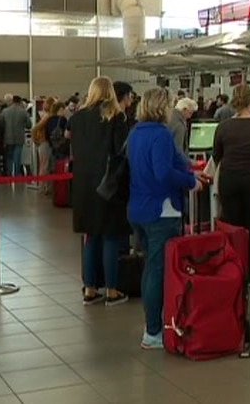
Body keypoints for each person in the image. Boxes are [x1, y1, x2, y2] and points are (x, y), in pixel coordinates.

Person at [127, 88, 202, 350]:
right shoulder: (160, 134)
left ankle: (154, 324)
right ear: (163, 107)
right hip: (162, 210)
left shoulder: (136, 132)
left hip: (138, 208)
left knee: (151, 267)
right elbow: (162, 173)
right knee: (157, 271)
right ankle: (153, 331)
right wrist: (190, 181)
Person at [67, 77, 130, 306]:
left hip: (83, 185)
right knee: (111, 237)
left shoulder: (76, 118)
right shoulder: (116, 117)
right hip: (108, 185)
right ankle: (112, 290)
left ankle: (90, 288)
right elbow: (120, 153)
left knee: (91, 237)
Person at [213, 84, 250, 285]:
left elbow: (217, 155)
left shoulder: (223, 127)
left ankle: (232, 269)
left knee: (232, 225)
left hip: (229, 179)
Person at [0, 95, 31, 176]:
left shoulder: (5, 111)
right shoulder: (23, 111)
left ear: (12, 101)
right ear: (20, 102)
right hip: (19, 138)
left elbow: (1, 124)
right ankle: (17, 174)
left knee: (9, 158)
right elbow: (29, 125)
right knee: (17, 157)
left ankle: (9, 174)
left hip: (7, 138)